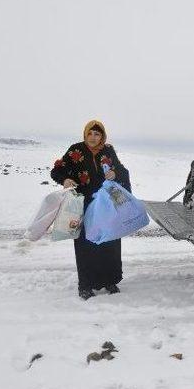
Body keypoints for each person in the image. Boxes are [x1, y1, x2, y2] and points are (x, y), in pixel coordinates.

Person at [50, 120, 131, 300]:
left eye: (97, 134)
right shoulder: (75, 150)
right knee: (86, 244)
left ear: (102, 136)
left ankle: (109, 280)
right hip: (84, 205)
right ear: (85, 134)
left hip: (107, 204)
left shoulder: (108, 150)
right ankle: (85, 285)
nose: (93, 137)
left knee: (109, 242)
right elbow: (57, 171)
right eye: (90, 134)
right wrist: (65, 180)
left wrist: (115, 174)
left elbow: (122, 171)